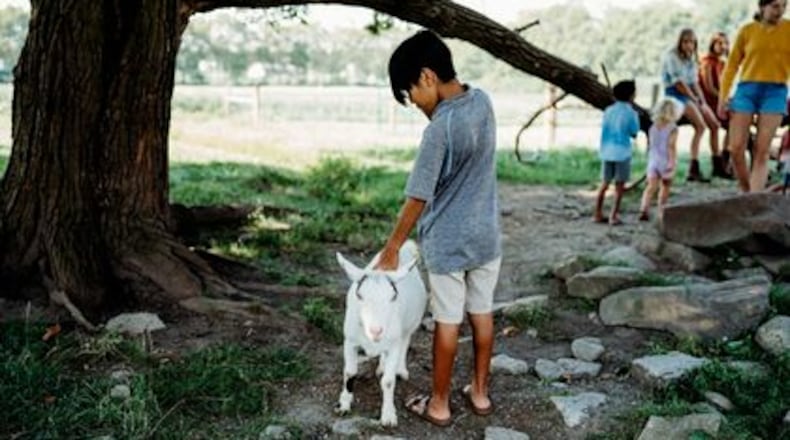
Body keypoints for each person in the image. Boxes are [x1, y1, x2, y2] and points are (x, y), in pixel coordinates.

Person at [374, 30, 502, 427]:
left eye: (412, 94)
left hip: (448, 243)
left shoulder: (438, 131)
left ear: (427, 77)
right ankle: (480, 394)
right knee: (482, 314)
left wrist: (393, 246)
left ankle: (440, 404)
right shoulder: (483, 101)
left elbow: (417, 197)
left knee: (448, 320)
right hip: (487, 236)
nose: (415, 105)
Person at [718, 0, 790, 192]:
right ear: (762, 7)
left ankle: (753, 200)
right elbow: (731, 66)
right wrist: (722, 98)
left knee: (762, 151)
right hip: (746, 91)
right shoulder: (747, 31)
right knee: (735, 148)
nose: (780, 11)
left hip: (775, 92)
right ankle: (746, 191)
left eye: (784, 6)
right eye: (775, 6)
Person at [660, 28, 723, 181]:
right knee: (700, 126)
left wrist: (702, 102)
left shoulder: (692, 60)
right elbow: (679, 84)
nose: (690, 46)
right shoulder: (672, 56)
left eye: (693, 42)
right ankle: (693, 168)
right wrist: (694, 99)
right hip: (676, 93)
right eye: (686, 42)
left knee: (714, 124)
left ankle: (718, 165)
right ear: (680, 42)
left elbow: (695, 83)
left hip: (690, 93)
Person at [593, 80, 639, 226]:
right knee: (619, 187)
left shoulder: (608, 110)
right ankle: (614, 216)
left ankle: (597, 213)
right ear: (631, 96)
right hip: (622, 153)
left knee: (604, 184)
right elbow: (634, 132)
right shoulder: (632, 113)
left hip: (606, 151)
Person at [698, 31, 733, 178]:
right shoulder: (706, 62)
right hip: (708, 102)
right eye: (719, 43)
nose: (723, 46)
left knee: (735, 123)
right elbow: (709, 87)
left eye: (725, 43)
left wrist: (727, 98)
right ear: (713, 44)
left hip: (720, 100)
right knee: (715, 127)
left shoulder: (723, 63)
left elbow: (726, 85)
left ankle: (725, 158)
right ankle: (717, 162)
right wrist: (723, 99)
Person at [639, 98, 680, 221]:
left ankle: (644, 209)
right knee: (665, 188)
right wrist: (672, 162)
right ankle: (661, 211)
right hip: (665, 160)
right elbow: (671, 146)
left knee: (651, 187)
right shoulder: (672, 128)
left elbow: (651, 144)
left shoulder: (652, 127)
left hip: (653, 160)